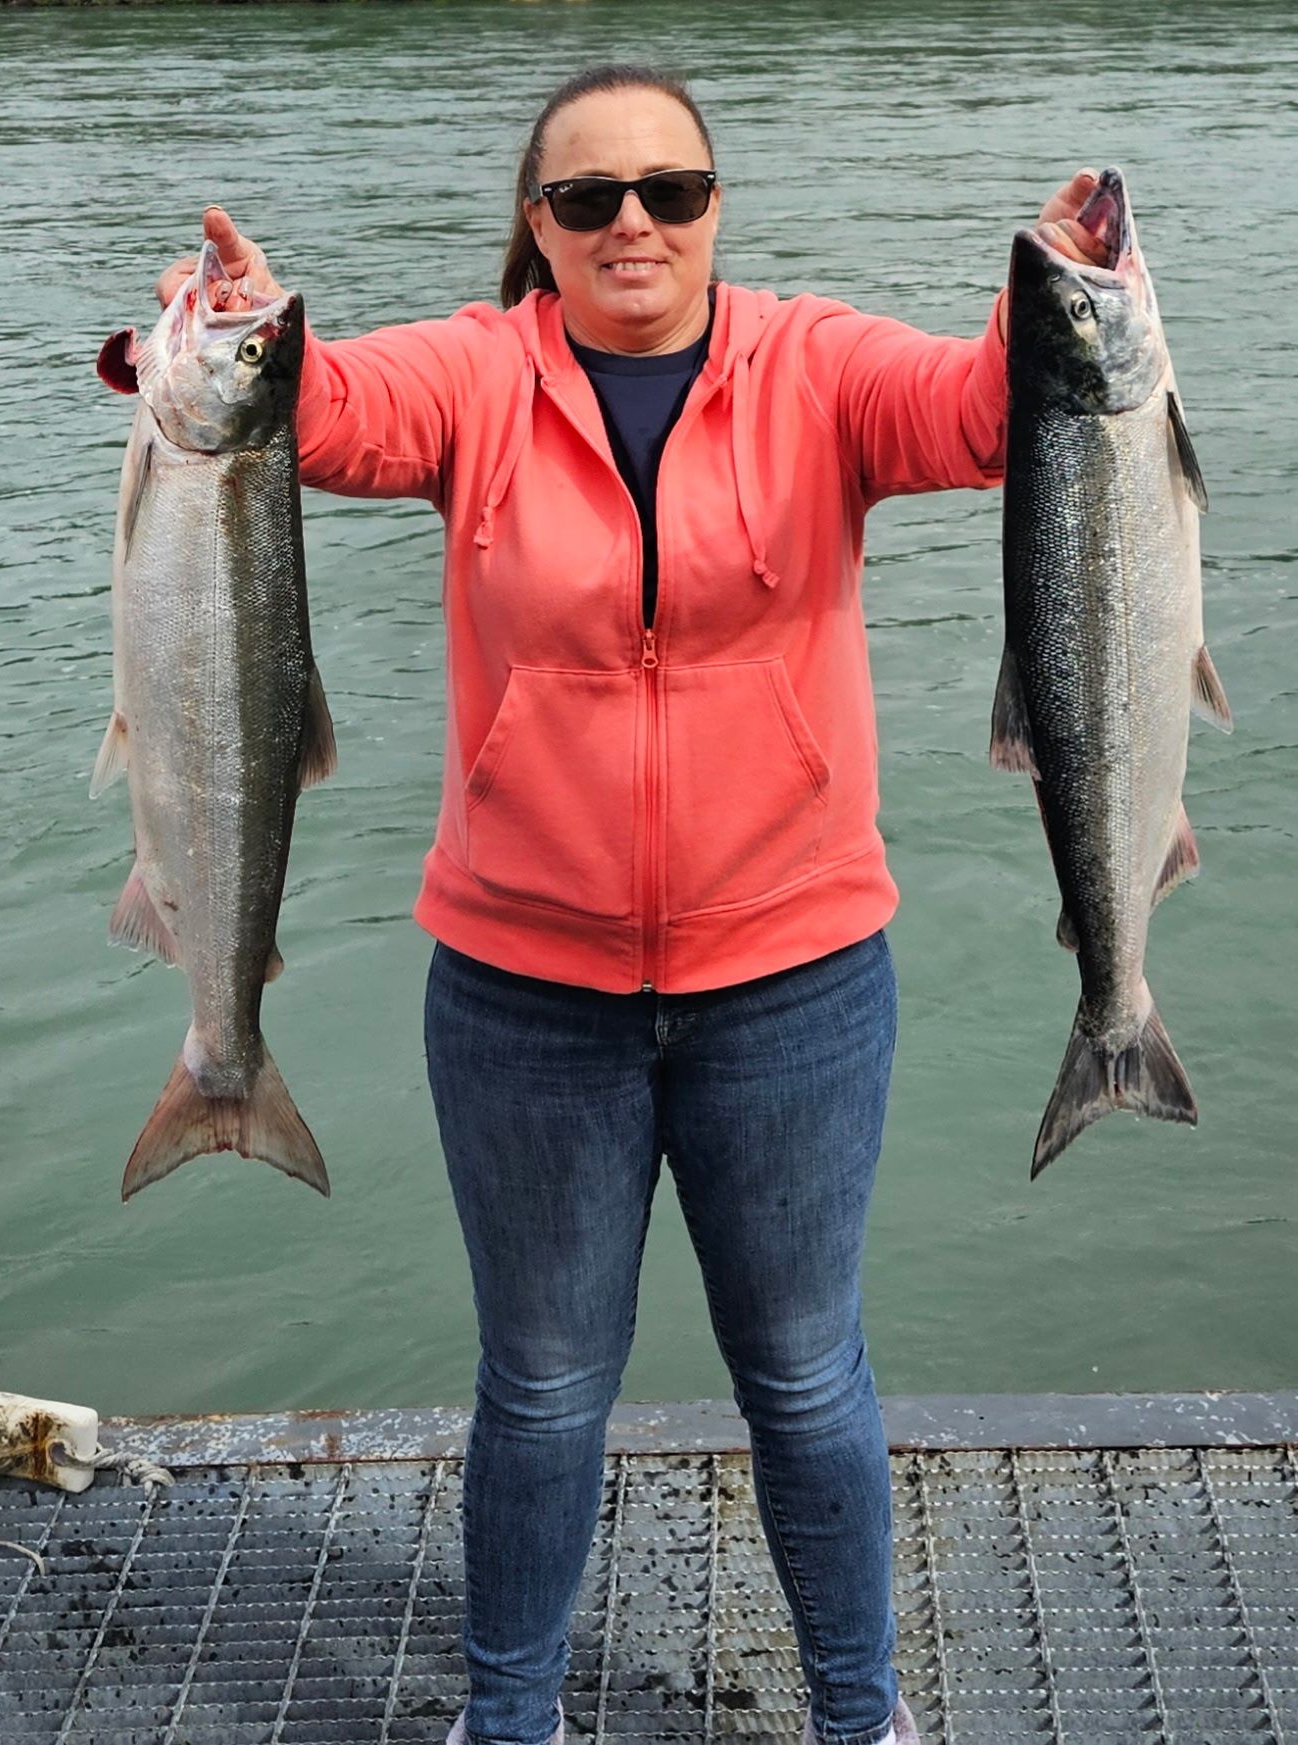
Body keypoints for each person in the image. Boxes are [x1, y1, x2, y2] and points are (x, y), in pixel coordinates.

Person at [155, 63, 1103, 1745]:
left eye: (668, 189)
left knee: (808, 1377)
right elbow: (327, 419)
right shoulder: (476, 373)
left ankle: (858, 1713)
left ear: (718, 205)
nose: (634, 224)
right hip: (524, 994)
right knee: (537, 1388)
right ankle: (506, 1719)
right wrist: (249, 330)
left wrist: (1050, 286)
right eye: (588, 199)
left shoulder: (816, 366)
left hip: (795, 983)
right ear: (540, 229)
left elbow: (978, 412)